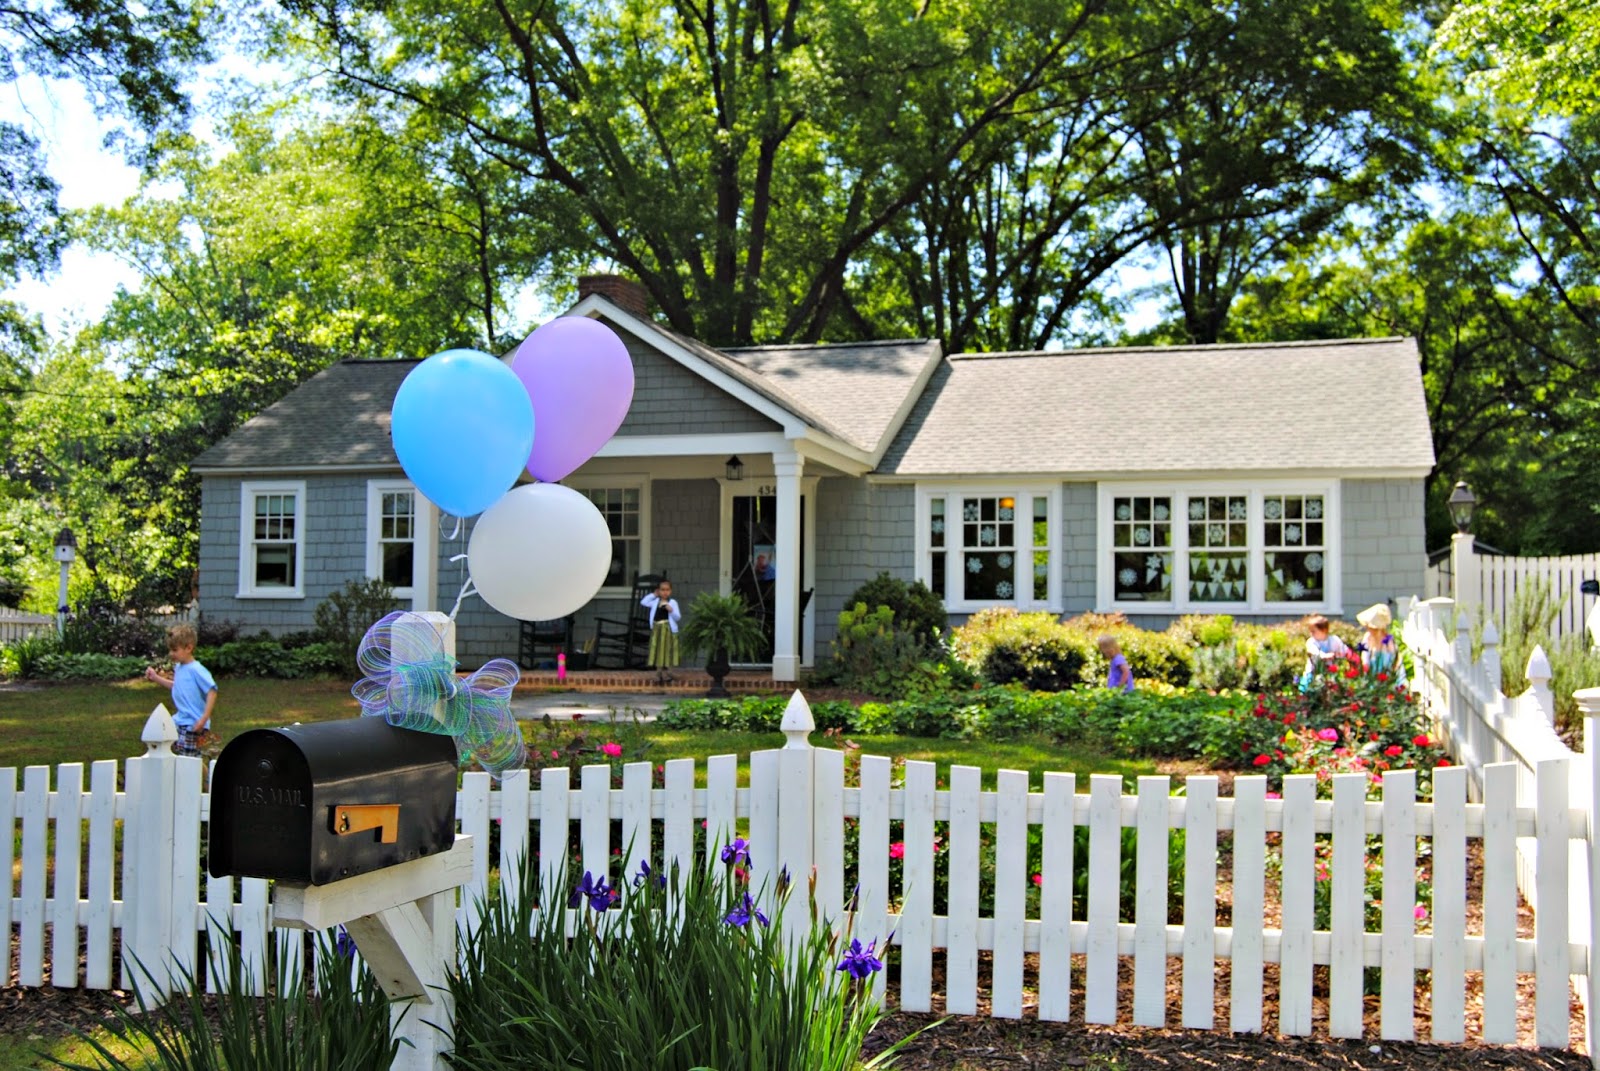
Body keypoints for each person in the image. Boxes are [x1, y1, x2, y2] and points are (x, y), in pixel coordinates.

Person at [145, 623, 218, 756]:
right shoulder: (179, 668)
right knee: (171, 753)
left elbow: (212, 692)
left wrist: (203, 719)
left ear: (188, 648)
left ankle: (204, 770)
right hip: (179, 721)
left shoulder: (196, 669)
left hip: (193, 724)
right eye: (170, 650)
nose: (171, 654)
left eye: (175, 650)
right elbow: (176, 686)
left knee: (188, 759)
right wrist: (156, 678)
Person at [640, 578, 682, 685]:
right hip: (657, 629)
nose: (665, 592)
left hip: (668, 630)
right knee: (658, 650)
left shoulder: (672, 602)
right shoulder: (655, 602)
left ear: (671, 591)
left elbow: (677, 617)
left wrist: (671, 610)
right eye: (662, 590)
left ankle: (669, 671)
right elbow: (643, 602)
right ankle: (658, 673)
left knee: (668, 650)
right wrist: (653, 595)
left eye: (667, 590)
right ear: (659, 591)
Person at [1355, 602, 1407, 685]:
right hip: (1370, 680)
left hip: (1386, 681)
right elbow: (1364, 660)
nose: (1368, 628)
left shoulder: (1388, 640)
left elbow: (1396, 664)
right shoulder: (1367, 637)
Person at [1299, 613, 1350, 689]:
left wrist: (1339, 655)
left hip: (1331, 673)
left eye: (1314, 631)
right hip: (1313, 673)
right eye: (1310, 631)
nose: (1311, 634)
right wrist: (1325, 655)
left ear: (1324, 630)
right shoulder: (1311, 642)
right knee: (1305, 689)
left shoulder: (1334, 640)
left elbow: (1344, 651)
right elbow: (1315, 653)